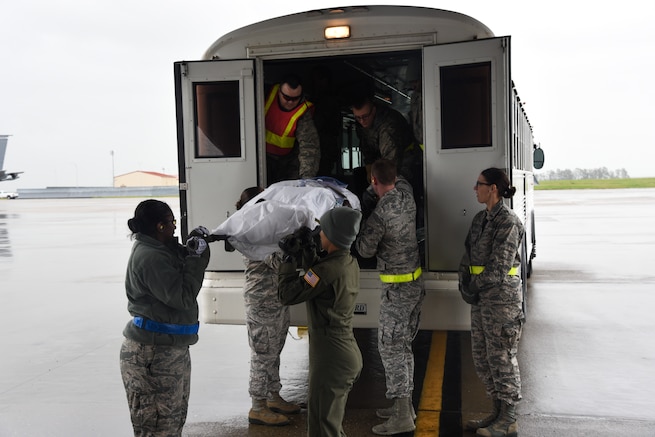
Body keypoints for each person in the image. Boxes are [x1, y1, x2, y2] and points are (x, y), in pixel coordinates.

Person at [119, 199, 211, 437]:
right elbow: (182, 297)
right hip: (153, 353)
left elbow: (183, 261)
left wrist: (195, 248)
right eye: (171, 222)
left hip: (169, 349)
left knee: (172, 422)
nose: (174, 228)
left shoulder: (161, 249)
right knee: (157, 427)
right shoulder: (150, 257)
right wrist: (195, 259)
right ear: (160, 226)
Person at [277, 207, 364, 437]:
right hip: (341, 353)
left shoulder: (327, 270)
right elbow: (317, 276)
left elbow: (287, 294)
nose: (320, 234)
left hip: (331, 358)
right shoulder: (347, 263)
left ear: (334, 236)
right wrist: (308, 250)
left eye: (323, 230)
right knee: (326, 425)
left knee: (322, 429)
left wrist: (287, 260)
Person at [353, 159, 425, 436]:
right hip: (415, 286)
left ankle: (402, 416)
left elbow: (365, 250)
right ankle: (404, 407)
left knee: (391, 349)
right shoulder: (406, 196)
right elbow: (402, 178)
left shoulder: (380, 214)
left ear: (373, 181)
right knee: (404, 347)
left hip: (396, 292)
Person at [458, 167, 525, 437]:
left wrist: (474, 286)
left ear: (493, 188)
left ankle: (508, 418)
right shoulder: (479, 220)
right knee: (483, 357)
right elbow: (468, 255)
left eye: (479, 184)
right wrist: (463, 283)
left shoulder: (508, 222)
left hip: (502, 302)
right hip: (481, 300)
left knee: (502, 357)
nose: (475, 189)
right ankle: (496, 412)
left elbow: (498, 267)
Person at [235, 187, 301, 426]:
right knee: (263, 355)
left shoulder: (266, 229)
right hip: (262, 303)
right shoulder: (252, 233)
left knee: (274, 351)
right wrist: (292, 251)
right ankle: (258, 406)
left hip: (276, 300)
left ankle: (274, 396)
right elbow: (275, 261)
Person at [349, 87, 423, 208]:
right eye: (358, 117)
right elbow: (367, 148)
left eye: (365, 116)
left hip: (404, 160)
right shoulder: (362, 122)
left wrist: (374, 191)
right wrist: (369, 170)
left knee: (398, 191)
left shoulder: (388, 126)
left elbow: (390, 164)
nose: (362, 121)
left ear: (373, 110)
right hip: (383, 159)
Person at [265, 73, 320, 184]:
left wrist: (307, 180)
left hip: (287, 161)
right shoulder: (265, 95)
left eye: (295, 99)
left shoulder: (303, 111)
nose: (290, 102)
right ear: (279, 91)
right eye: (286, 97)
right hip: (263, 157)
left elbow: (309, 147)